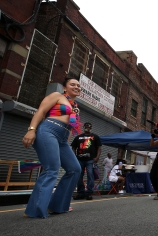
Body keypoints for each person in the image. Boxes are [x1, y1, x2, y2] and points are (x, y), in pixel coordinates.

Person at [22, 77, 82, 218]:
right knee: (51, 169)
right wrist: (31, 129)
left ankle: (58, 206)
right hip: (48, 131)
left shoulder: (75, 106)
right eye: (72, 84)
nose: (77, 87)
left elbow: (70, 126)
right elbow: (41, 111)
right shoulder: (57, 96)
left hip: (62, 138)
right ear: (64, 88)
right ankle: (35, 209)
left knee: (75, 169)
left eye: (79, 86)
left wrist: (66, 143)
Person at [71, 122, 102, 200]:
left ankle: (89, 193)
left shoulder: (95, 137)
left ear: (91, 128)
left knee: (90, 175)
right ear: (84, 127)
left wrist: (97, 157)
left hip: (90, 160)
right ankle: (80, 193)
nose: (88, 127)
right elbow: (73, 147)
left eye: (89, 126)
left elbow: (99, 147)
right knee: (79, 175)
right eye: (86, 126)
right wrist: (74, 157)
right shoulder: (78, 137)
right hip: (79, 159)